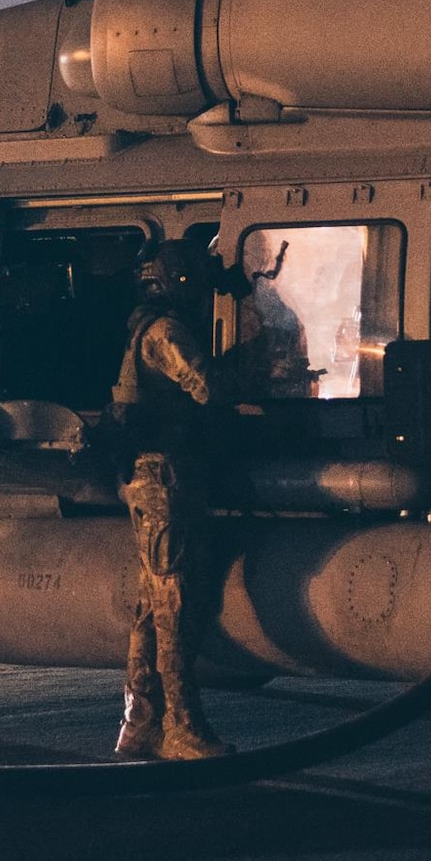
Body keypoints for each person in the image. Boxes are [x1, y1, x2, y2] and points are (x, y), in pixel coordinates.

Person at [111, 238, 237, 760]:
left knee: (151, 606)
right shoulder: (164, 332)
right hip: (161, 479)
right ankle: (181, 728)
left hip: (151, 477)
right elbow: (210, 387)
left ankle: (140, 722)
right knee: (173, 608)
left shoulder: (146, 325)